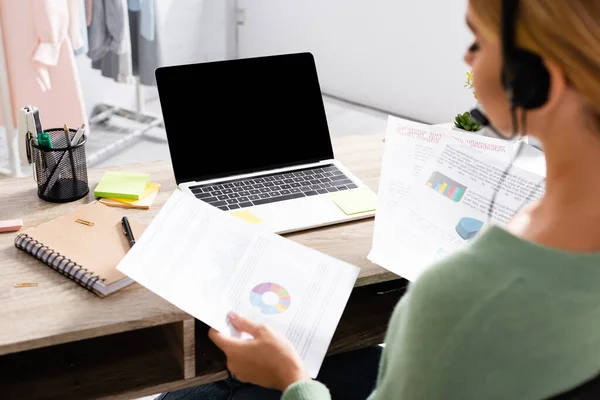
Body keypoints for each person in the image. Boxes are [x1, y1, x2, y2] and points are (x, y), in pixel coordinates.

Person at [159, 0, 600, 398]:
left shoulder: (460, 300)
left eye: (478, 41)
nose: (467, 57)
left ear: (538, 81)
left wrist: (292, 380)